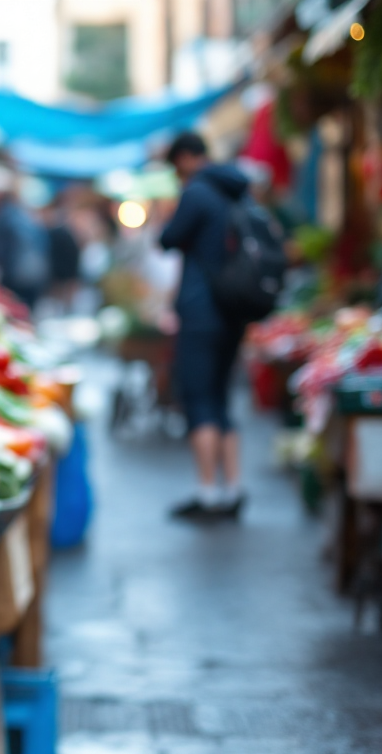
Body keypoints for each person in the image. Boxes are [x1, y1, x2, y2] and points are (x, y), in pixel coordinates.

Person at [160, 131, 251, 520]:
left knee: (198, 399)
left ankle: (207, 491)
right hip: (235, 310)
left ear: (183, 157)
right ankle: (233, 487)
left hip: (200, 311)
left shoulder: (197, 192)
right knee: (221, 398)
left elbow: (168, 238)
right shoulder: (236, 190)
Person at [0, 171, 49, 310]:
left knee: (14, 310)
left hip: (16, 277)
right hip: (34, 276)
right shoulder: (24, 215)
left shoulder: (5, 217)